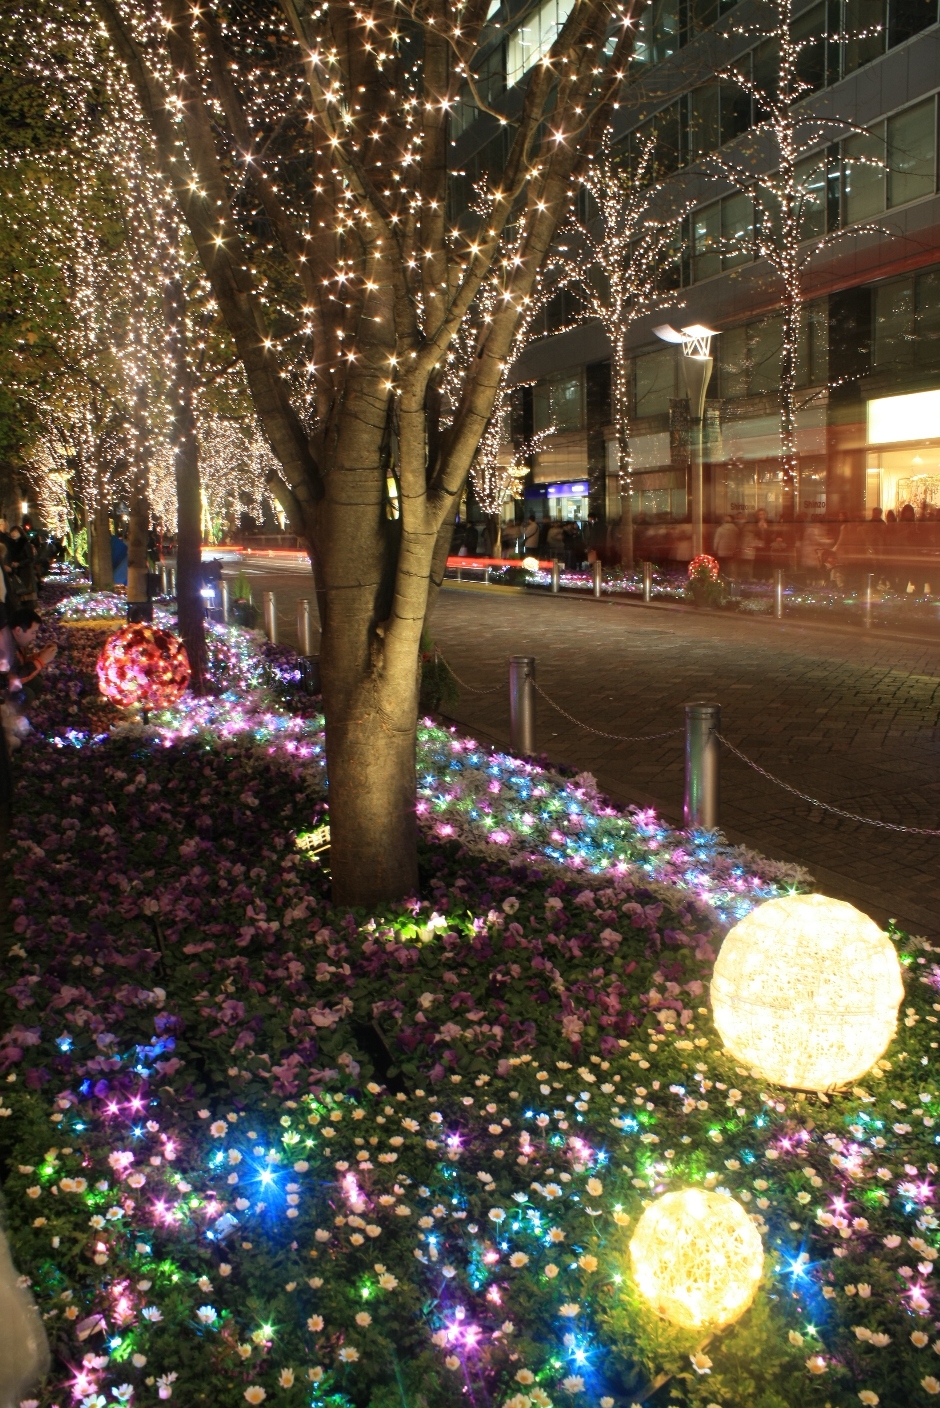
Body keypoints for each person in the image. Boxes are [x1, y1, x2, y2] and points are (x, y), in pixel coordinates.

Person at [11, 607, 56, 703]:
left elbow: (20, 664)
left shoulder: (15, 642)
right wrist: (41, 660)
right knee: (27, 694)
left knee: (36, 681)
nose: (34, 637)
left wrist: (41, 655)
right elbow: (15, 677)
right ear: (18, 630)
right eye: (33, 632)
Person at [712, 514, 739, 580]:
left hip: (722, 550)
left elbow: (716, 540)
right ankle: (731, 577)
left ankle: (723, 578)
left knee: (722, 565)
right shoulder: (736, 529)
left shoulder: (720, 529)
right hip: (732, 550)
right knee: (730, 564)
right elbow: (738, 540)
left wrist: (715, 549)